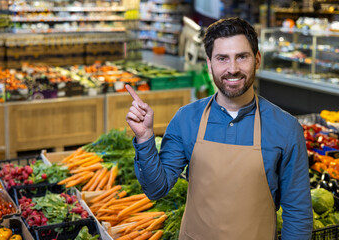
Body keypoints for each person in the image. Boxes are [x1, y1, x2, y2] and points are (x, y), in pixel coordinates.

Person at [125, 17, 313, 240]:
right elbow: (157, 189)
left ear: (257, 60)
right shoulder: (186, 119)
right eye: (222, 58)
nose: (232, 69)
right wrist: (145, 138)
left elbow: (298, 214)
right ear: (209, 64)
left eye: (241, 57)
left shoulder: (285, 127)